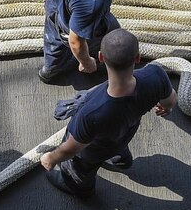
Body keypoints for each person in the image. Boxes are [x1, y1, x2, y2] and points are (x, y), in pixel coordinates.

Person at [39, 29, 177, 198]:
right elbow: (170, 99)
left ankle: (80, 188)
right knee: (118, 142)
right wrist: (167, 108)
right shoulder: (156, 75)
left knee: (81, 168)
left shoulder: (91, 113)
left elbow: (72, 148)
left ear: (101, 57)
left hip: (95, 150)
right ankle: (121, 159)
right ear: (138, 57)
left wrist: (51, 158)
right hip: (125, 132)